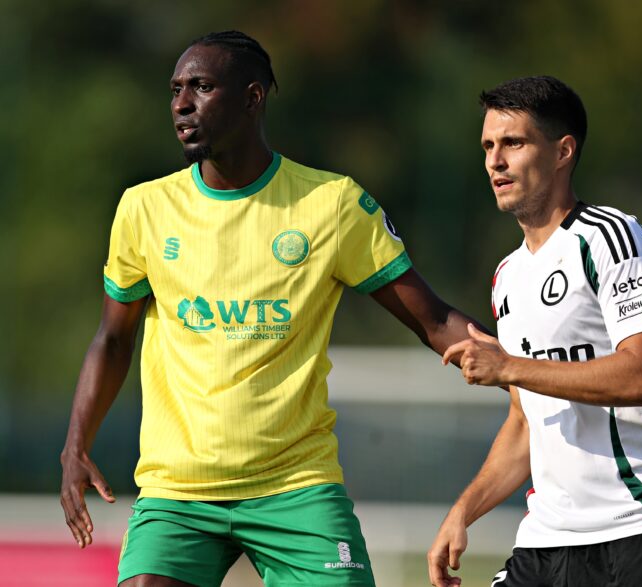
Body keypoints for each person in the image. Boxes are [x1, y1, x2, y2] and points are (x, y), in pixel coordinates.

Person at [60, 30, 486, 587]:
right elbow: (112, 340)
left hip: (296, 486)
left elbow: (432, 319)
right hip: (179, 491)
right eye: (175, 90)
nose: (182, 104)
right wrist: (75, 445)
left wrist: (530, 372)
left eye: (202, 87)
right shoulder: (145, 208)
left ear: (253, 98)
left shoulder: (329, 204)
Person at [427, 76, 642, 587]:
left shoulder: (610, 237)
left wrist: (509, 365)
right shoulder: (507, 277)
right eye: (489, 146)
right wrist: (464, 511)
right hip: (547, 541)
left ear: (562, 152)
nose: (495, 161)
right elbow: (525, 423)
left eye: (513, 143)